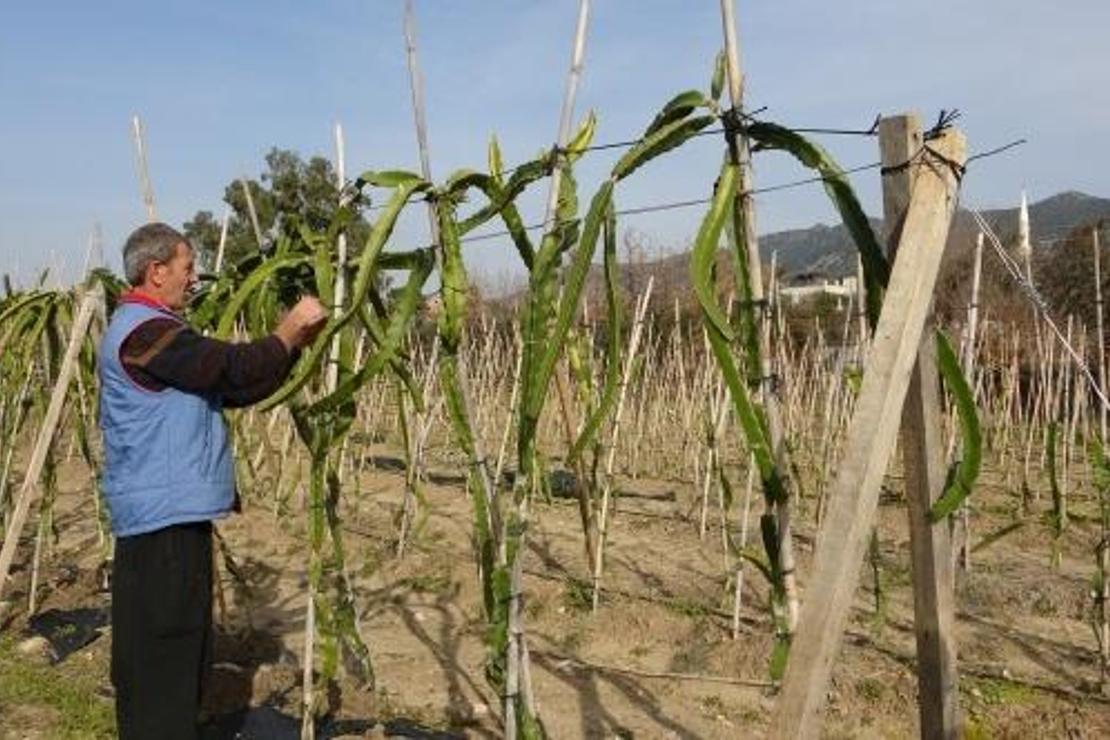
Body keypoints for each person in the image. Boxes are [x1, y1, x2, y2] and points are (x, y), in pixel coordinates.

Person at [98, 222, 327, 739]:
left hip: (168, 517)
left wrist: (289, 348)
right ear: (156, 272)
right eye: (186, 266)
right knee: (164, 656)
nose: (194, 277)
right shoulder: (146, 334)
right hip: (162, 525)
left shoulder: (154, 331)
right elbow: (230, 367)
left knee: (172, 654)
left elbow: (237, 386)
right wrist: (287, 330)